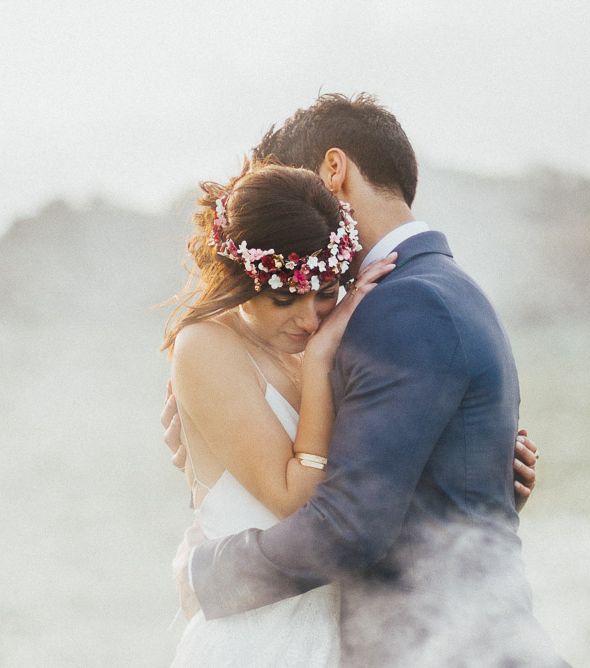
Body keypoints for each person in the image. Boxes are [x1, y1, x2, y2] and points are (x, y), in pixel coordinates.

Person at [163, 94, 563, 666]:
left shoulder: (403, 303)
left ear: (333, 170)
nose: (286, 217)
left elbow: (349, 526)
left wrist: (206, 573)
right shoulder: (426, 291)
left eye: (291, 186)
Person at [163, 160, 398, 665]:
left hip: (334, 634)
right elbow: (297, 502)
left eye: (327, 293)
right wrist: (319, 364)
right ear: (238, 279)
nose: (309, 318)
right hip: (253, 642)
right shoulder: (206, 346)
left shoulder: (319, 335)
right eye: (283, 298)